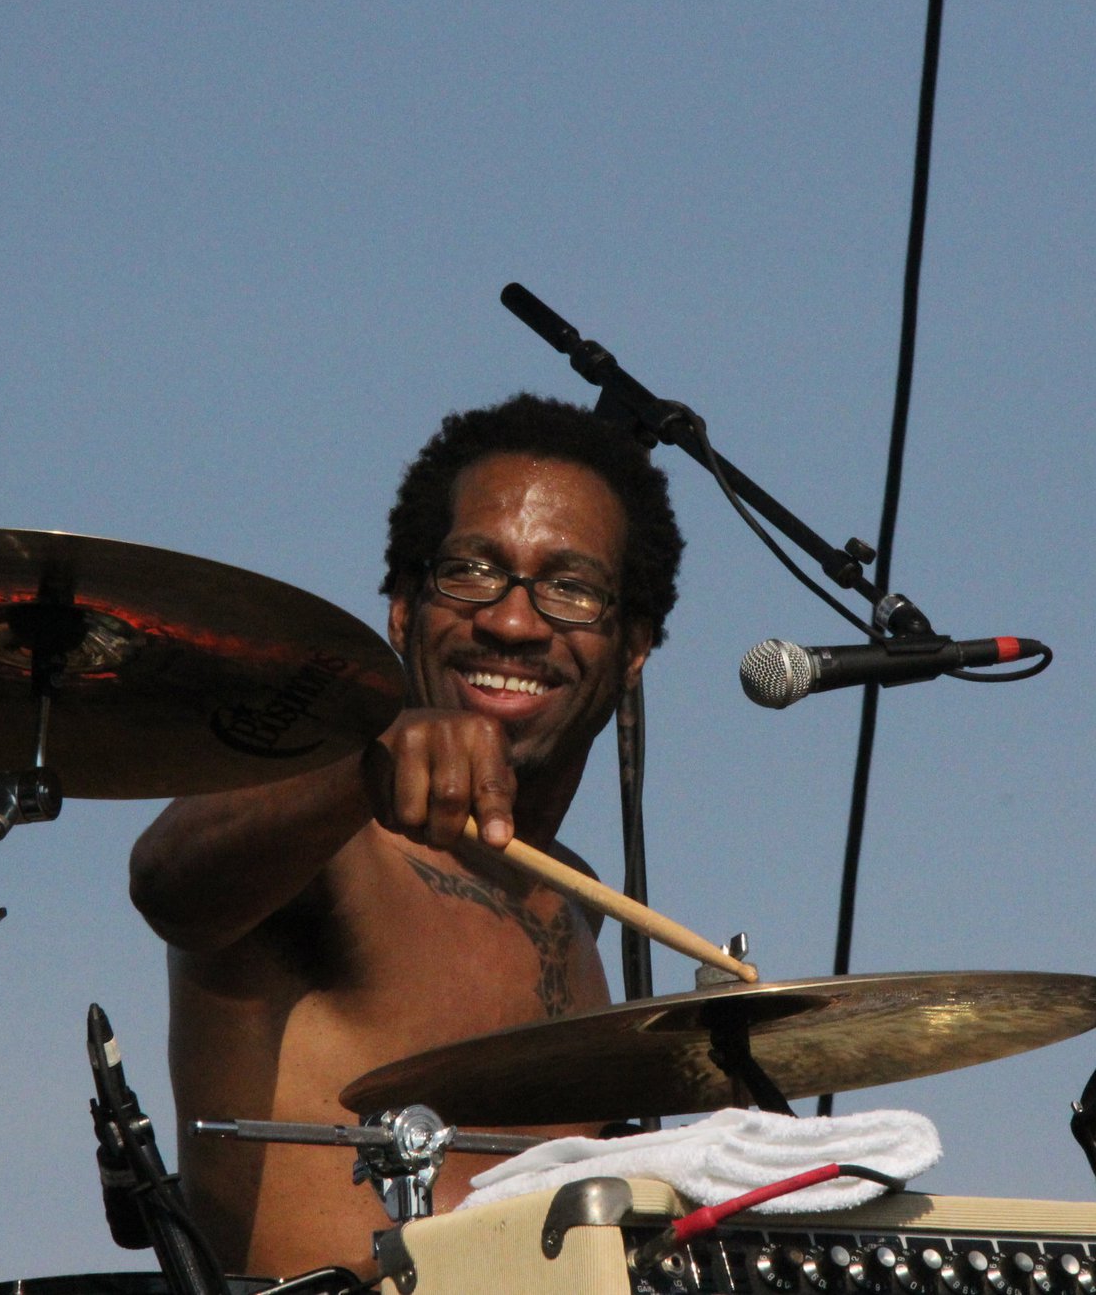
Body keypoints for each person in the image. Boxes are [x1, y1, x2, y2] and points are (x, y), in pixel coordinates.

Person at [129, 393, 683, 1279]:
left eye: (570, 588)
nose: (512, 620)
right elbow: (169, 878)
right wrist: (360, 765)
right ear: (401, 610)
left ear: (635, 649)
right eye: (472, 571)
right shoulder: (327, 834)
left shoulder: (577, 903)